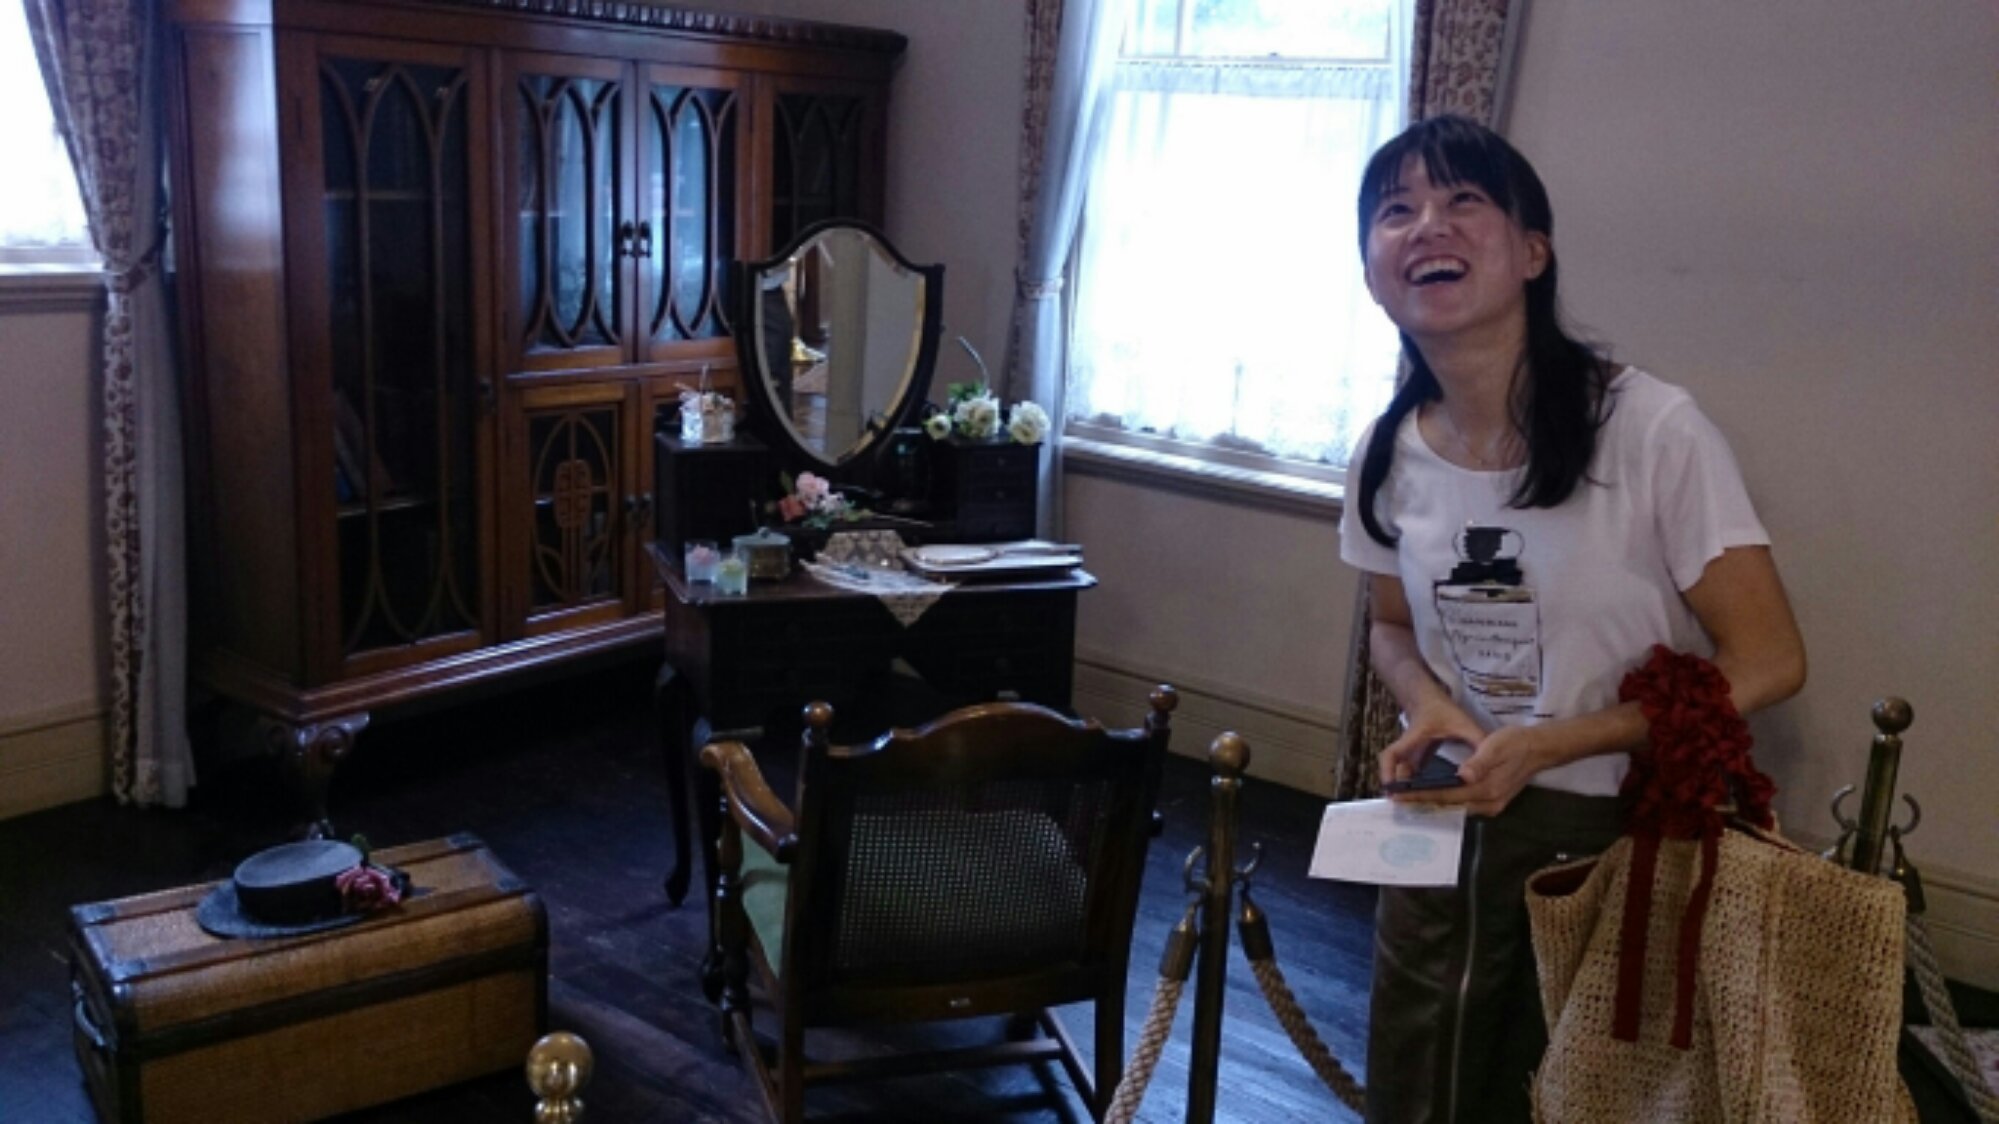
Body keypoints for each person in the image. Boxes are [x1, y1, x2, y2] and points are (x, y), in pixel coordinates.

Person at [1336, 115, 1806, 1123]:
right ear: (1371, 271)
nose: (1426, 225)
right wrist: (1429, 706)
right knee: (1419, 1065)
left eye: (1463, 200)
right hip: (1443, 802)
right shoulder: (1384, 449)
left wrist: (1557, 741)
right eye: (1395, 210)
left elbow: (1768, 658)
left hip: (1602, 820)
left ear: (1532, 252)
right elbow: (1390, 627)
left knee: (1562, 1075)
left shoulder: (1649, 428)